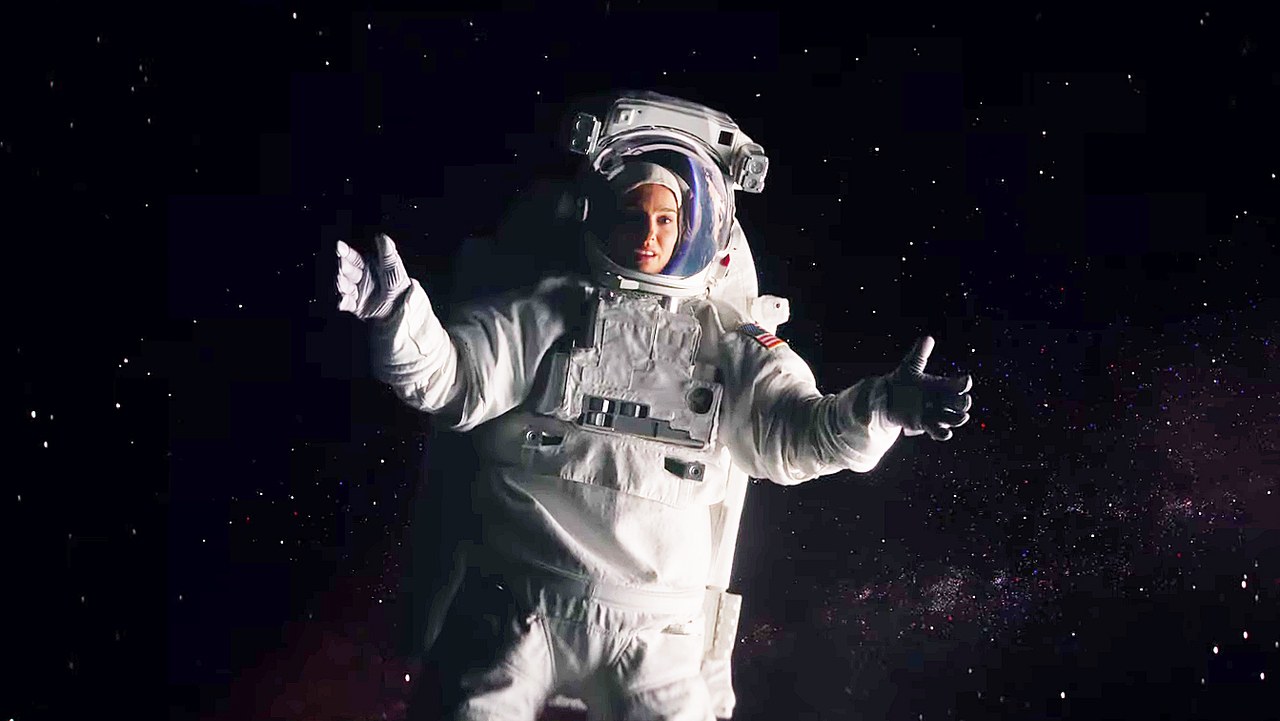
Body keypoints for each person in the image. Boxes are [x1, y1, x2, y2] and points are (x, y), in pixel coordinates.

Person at [334, 90, 974, 721]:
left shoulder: (730, 343)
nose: (649, 234)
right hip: (518, 598)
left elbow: (800, 434)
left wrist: (881, 409)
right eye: (633, 215)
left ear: (691, 228)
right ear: (600, 218)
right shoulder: (547, 311)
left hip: (655, 629)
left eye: (666, 220)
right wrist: (395, 314)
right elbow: (452, 383)